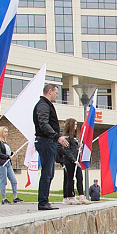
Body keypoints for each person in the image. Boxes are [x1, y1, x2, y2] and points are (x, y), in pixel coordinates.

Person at [34, 83, 69, 211]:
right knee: (47, 172)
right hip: (45, 141)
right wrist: (56, 136)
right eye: (56, 92)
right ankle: (43, 202)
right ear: (49, 91)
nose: (57, 95)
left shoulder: (46, 105)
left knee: (49, 172)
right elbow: (43, 124)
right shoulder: (43, 105)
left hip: (49, 141)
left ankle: (44, 200)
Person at [59, 118, 86, 205]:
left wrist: (79, 147)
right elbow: (66, 150)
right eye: (74, 125)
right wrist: (73, 160)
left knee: (79, 177)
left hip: (76, 160)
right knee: (70, 178)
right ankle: (70, 196)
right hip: (69, 161)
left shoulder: (74, 138)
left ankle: (81, 196)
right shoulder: (66, 138)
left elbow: (74, 150)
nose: (76, 127)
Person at [0, 126, 22, 205]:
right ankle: (4, 198)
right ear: (1, 133)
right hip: (2, 164)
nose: (6, 133)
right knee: (4, 181)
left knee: (14, 180)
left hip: (8, 163)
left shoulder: (5, 143)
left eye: (7, 132)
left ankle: (15, 197)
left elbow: (7, 152)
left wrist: (12, 154)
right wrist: (7, 156)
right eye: (5, 132)